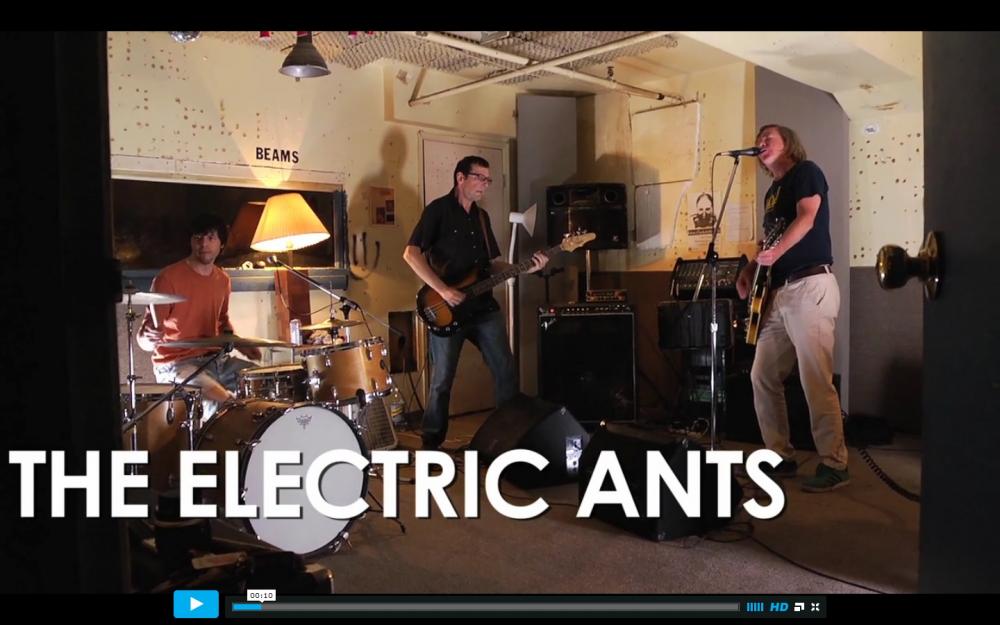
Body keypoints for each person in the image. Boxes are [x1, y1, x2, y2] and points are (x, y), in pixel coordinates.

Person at [403, 156, 548, 450]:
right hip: (445, 308)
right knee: (442, 379)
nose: (485, 184)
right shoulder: (438, 211)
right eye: (479, 177)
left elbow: (491, 265)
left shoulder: (482, 218)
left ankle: (507, 438)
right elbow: (411, 254)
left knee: (505, 369)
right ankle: (432, 442)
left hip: (483, 308)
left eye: (488, 179)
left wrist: (524, 268)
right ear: (461, 178)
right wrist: (443, 290)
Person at [736, 124, 849, 493]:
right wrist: (751, 269)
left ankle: (834, 462)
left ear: (789, 143)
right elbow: (767, 241)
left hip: (810, 285)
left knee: (815, 377)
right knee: (762, 374)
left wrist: (775, 253)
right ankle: (779, 454)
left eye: (769, 137)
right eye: (759, 139)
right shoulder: (772, 192)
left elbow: (807, 216)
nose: (761, 143)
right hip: (780, 291)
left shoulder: (806, 172)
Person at [137, 213, 260, 419]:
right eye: (198, 237)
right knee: (221, 402)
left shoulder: (223, 280)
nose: (203, 244)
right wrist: (147, 339)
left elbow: (222, 325)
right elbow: (146, 339)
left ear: (221, 244)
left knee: (262, 388)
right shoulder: (168, 278)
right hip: (177, 364)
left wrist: (240, 343)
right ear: (191, 241)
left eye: (210, 238)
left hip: (217, 361)